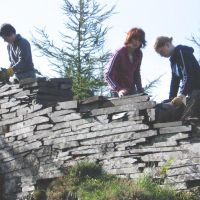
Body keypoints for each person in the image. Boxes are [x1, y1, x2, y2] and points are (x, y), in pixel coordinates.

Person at [154, 36, 200, 106]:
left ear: (167, 44)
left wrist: (182, 95)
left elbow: (188, 75)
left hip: (197, 89)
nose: (161, 55)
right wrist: (171, 98)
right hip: (190, 92)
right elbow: (175, 81)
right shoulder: (173, 60)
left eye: (161, 51)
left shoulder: (181, 52)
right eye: (159, 54)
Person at [104, 27, 146, 97]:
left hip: (131, 90)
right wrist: (118, 89)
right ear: (129, 38)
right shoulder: (119, 52)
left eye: (139, 40)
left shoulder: (139, 54)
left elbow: (136, 74)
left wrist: (140, 90)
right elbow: (108, 74)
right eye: (135, 39)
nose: (137, 42)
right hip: (117, 91)